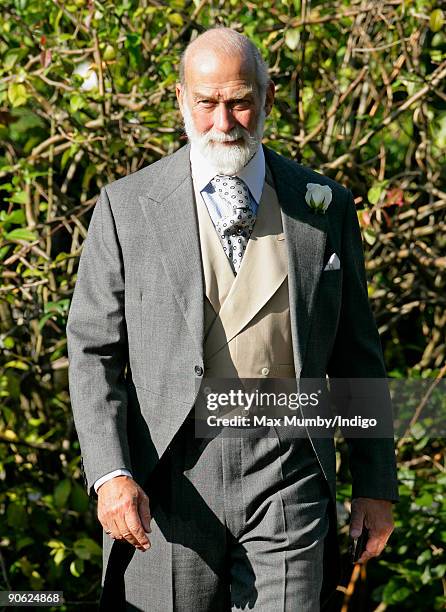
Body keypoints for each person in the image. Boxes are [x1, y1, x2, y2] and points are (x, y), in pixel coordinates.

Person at [66, 26, 399, 611]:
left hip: (289, 468)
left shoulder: (323, 203)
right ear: (181, 101)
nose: (223, 121)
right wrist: (110, 473)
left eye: (240, 100)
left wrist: (374, 482)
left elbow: (356, 350)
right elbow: (93, 349)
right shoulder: (125, 207)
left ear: (267, 98)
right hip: (169, 481)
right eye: (207, 102)